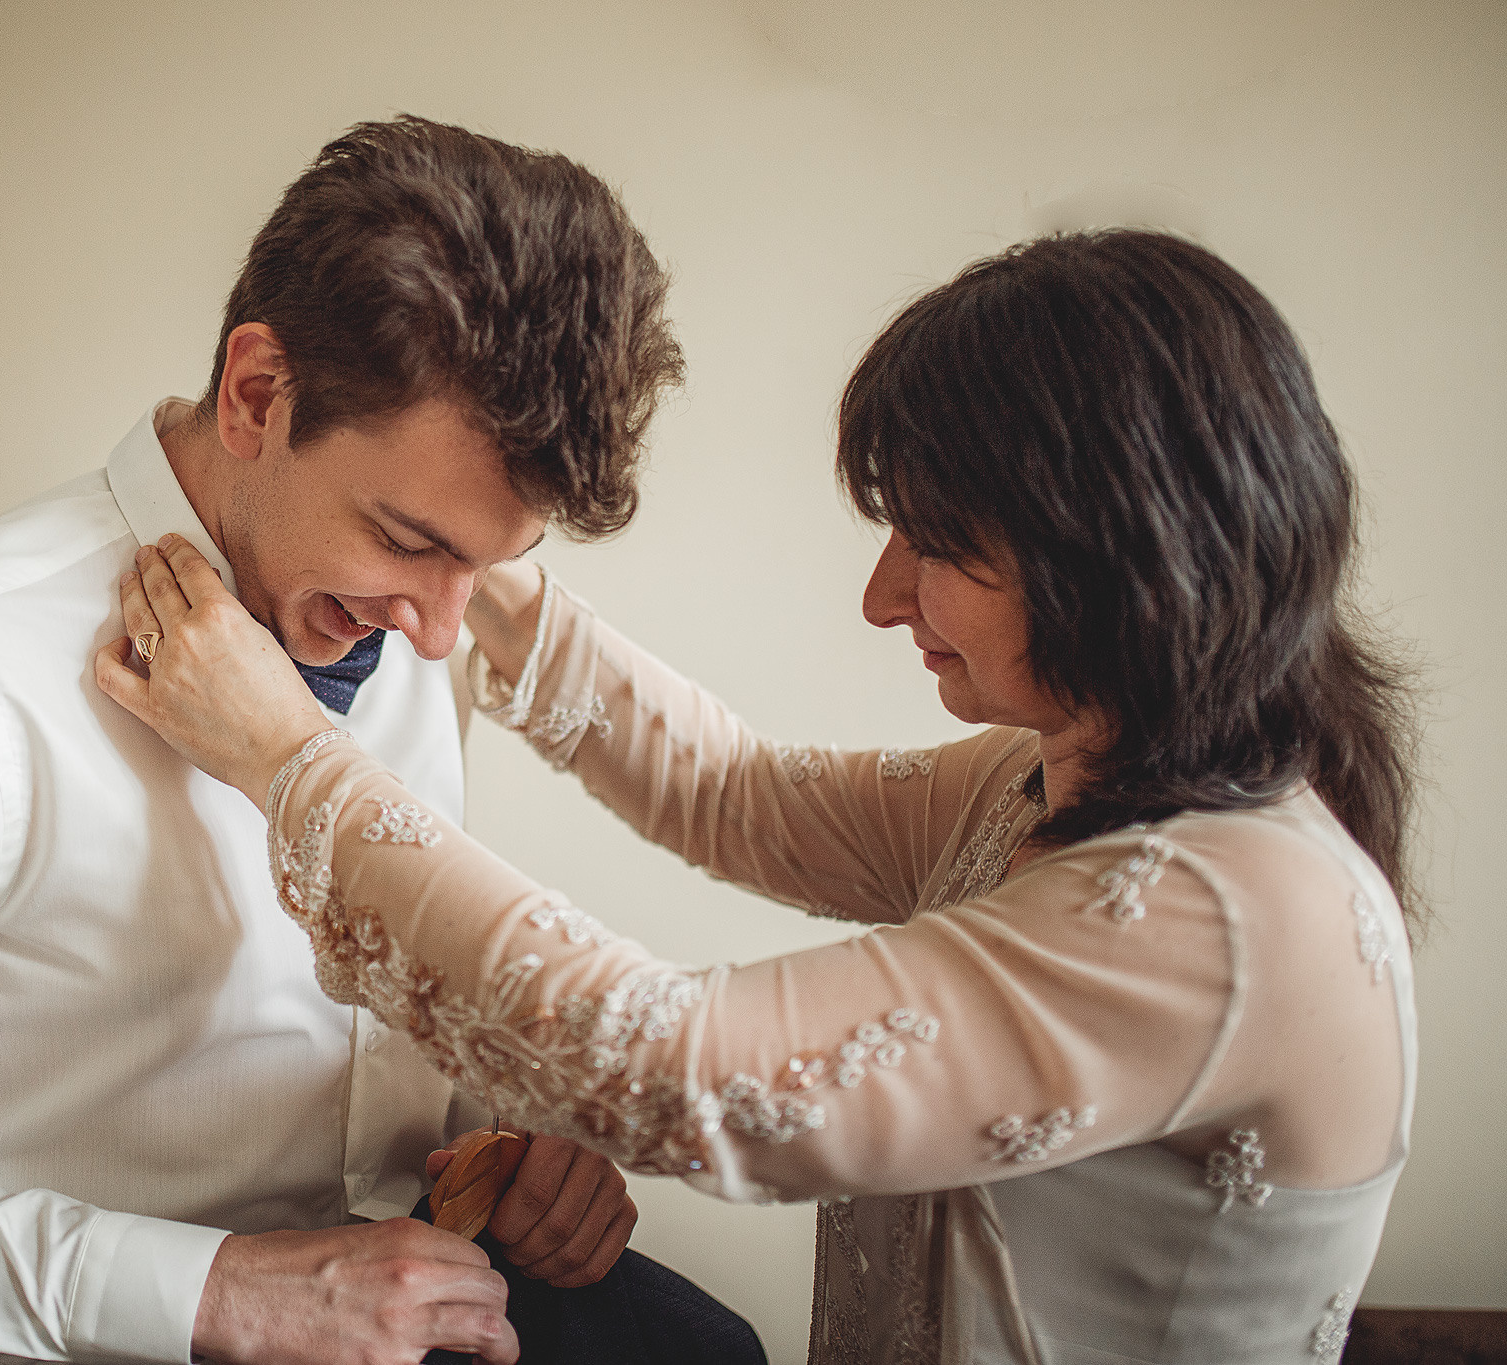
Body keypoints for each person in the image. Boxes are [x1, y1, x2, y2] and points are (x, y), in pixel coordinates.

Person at [94, 229, 1423, 1363]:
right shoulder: (1060, 774)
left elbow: (672, 1064)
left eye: (936, 543)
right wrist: (457, 554)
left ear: (1115, 559)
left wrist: (289, 759)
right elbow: (743, 796)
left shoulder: (1230, 917)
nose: (882, 595)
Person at [0, 115, 765, 1365]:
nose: (443, 632)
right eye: (408, 542)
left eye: (485, 564)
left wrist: (509, 1130)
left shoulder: (409, 617)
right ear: (256, 394)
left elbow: (367, 1040)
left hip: (423, 1284)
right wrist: (219, 1293)